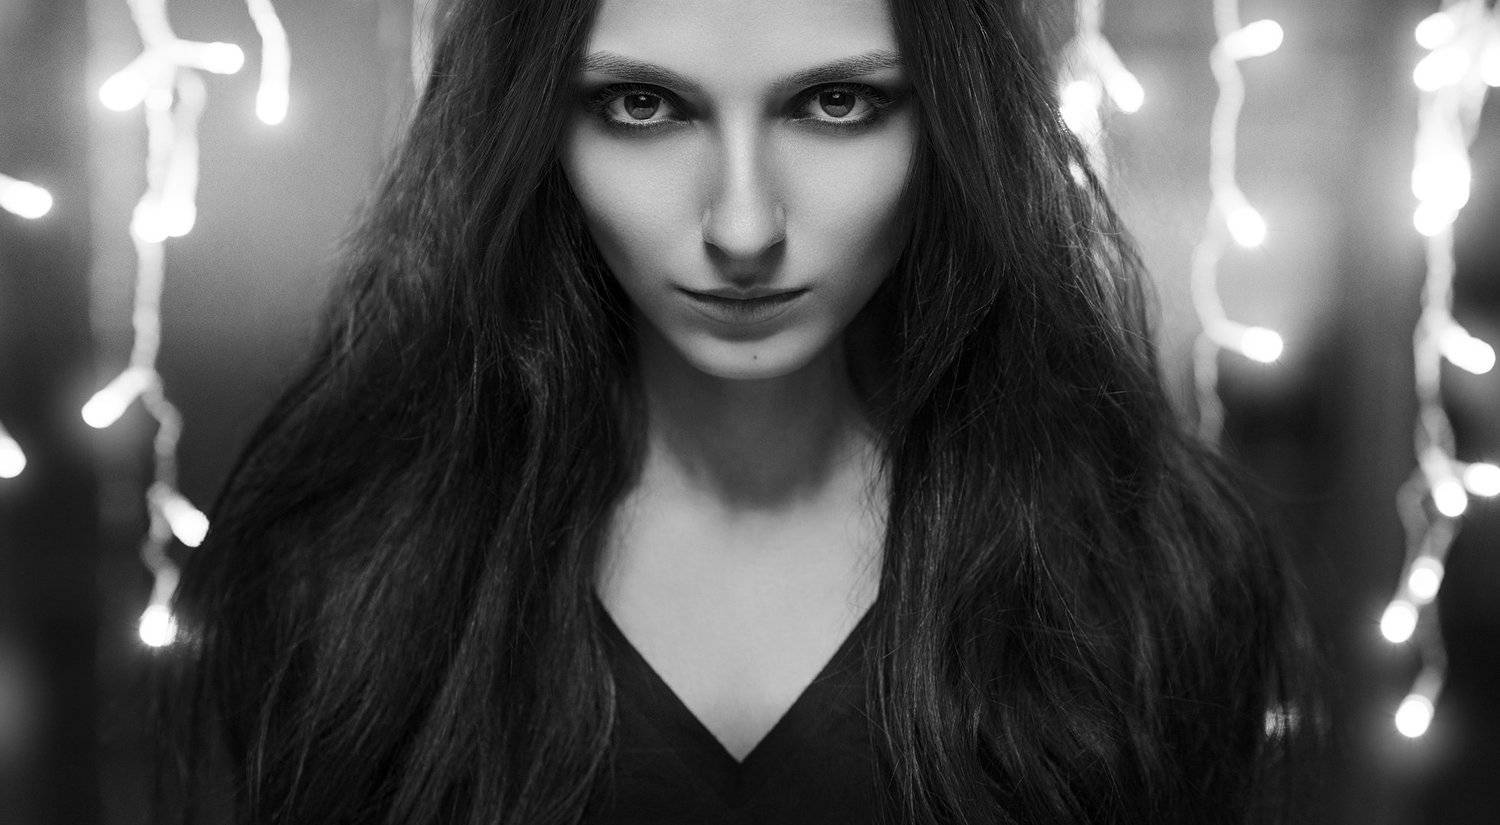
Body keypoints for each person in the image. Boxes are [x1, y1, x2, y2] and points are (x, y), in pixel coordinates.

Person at [159, 0, 1313, 823]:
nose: (744, 227)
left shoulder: (1144, 574)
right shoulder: (350, 579)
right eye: (644, 105)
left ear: (951, 120)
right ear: (534, 126)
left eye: (837, 102)